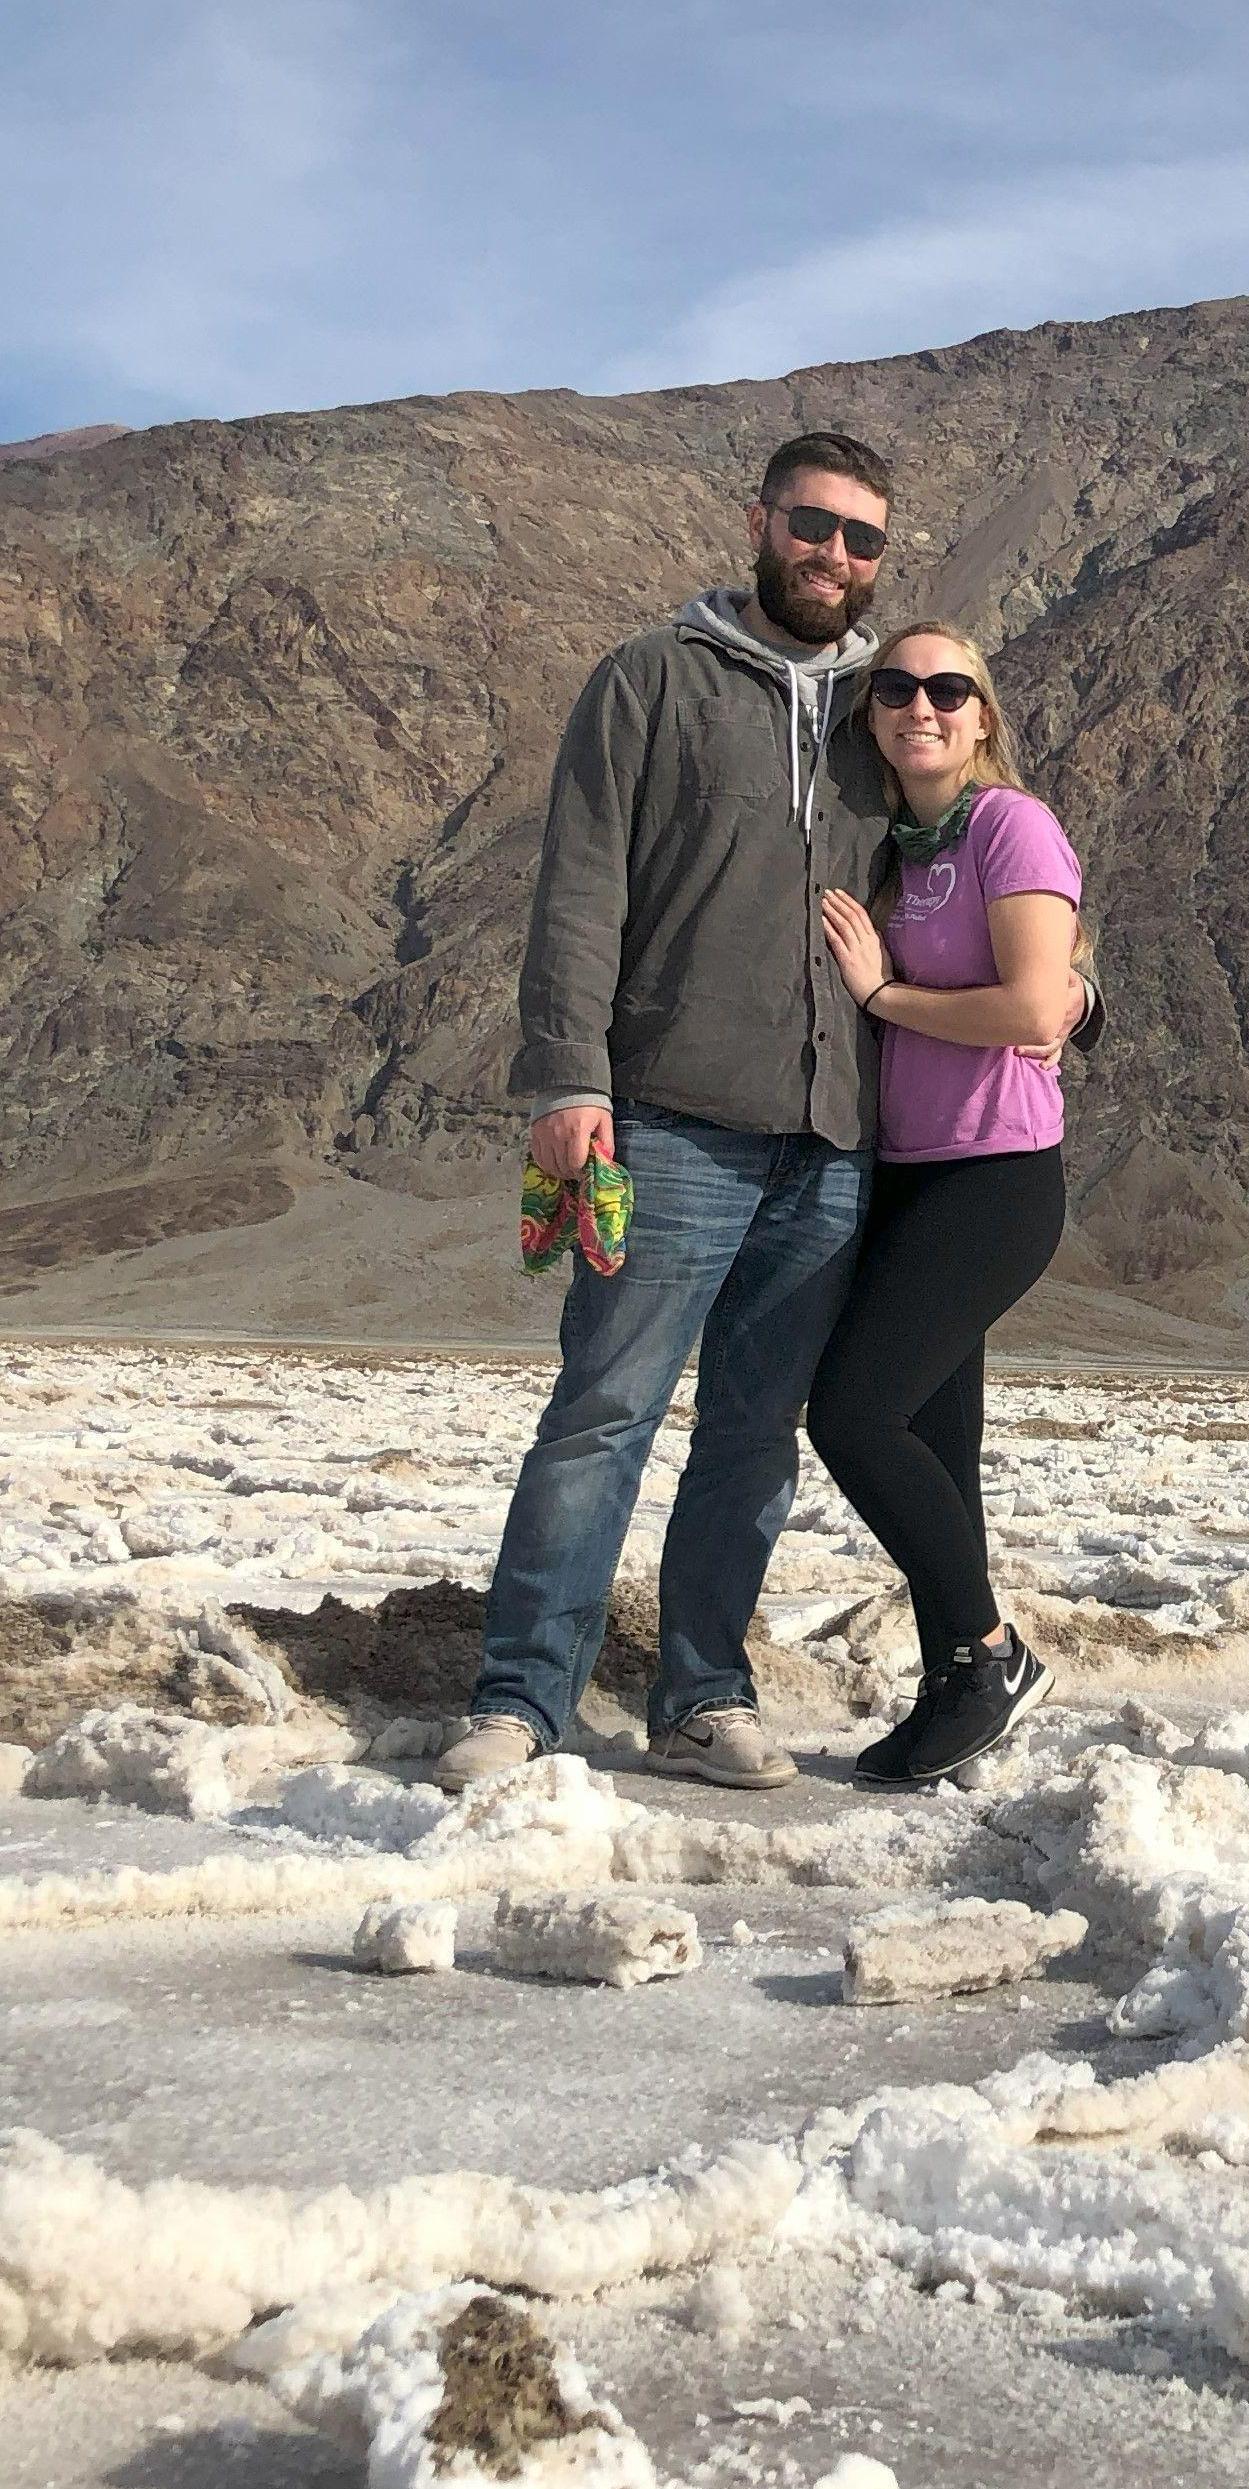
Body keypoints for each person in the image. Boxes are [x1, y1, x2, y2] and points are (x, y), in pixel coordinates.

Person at [434, 434, 898, 1792]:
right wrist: (569, 1079)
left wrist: (1070, 985)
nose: (833, 556)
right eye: (813, 525)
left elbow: (977, 862)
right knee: (603, 1412)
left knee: (754, 1434)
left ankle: (702, 1693)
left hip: (829, 1136)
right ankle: (523, 1696)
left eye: (863, 539)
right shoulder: (650, 679)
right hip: (671, 1119)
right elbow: (579, 887)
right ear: (760, 520)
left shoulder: (886, 704)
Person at [806, 621, 1088, 1784]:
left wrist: (885, 993)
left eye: (947, 689)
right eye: (894, 689)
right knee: (939, 1444)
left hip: (995, 1178)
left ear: (982, 715)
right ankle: (951, 1687)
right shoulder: (886, 843)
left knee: (852, 1413)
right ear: (870, 714)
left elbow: (1032, 1010)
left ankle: (989, 1653)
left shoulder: (1007, 825)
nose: (919, 706)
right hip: (906, 1173)